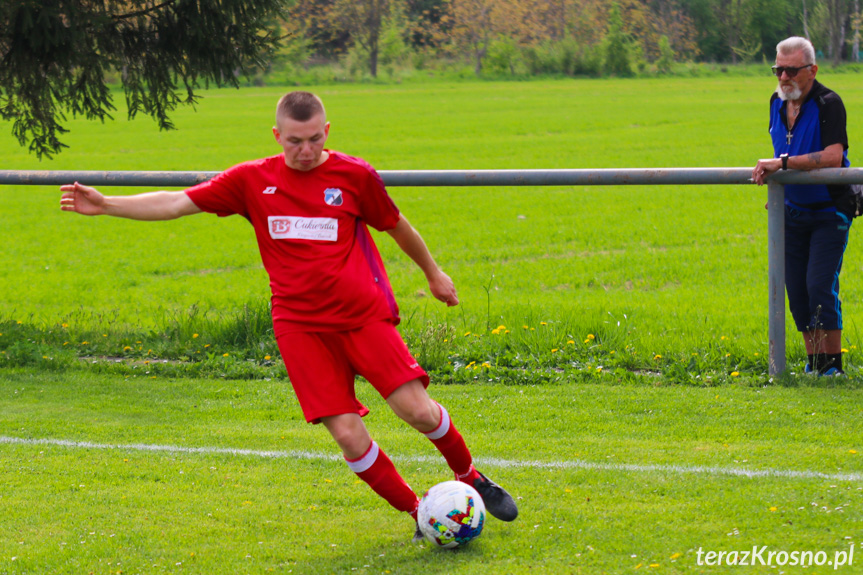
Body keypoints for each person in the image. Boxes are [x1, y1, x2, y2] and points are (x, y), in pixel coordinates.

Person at [59, 91, 518, 537]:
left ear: (327, 131)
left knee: (415, 410)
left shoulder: (354, 176)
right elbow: (179, 202)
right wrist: (107, 206)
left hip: (362, 315)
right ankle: (421, 513)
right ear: (277, 135)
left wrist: (434, 275)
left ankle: (471, 476)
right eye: (295, 141)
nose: (305, 150)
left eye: (315, 139)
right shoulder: (251, 180)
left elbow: (398, 226)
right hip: (299, 327)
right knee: (348, 436)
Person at [752, 37, 853, 376]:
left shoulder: (828, 103)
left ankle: (832, 367)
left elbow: (832, 157)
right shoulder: (775, 103)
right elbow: (784, 148)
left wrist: (780, 165)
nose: (783, 78)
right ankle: (815, 365)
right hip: (791, 212)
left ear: (812, 70)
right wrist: (780, 191)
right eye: (778, 70)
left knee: (819, 285)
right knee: (796, 292)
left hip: (829, 210)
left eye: (791, 71)